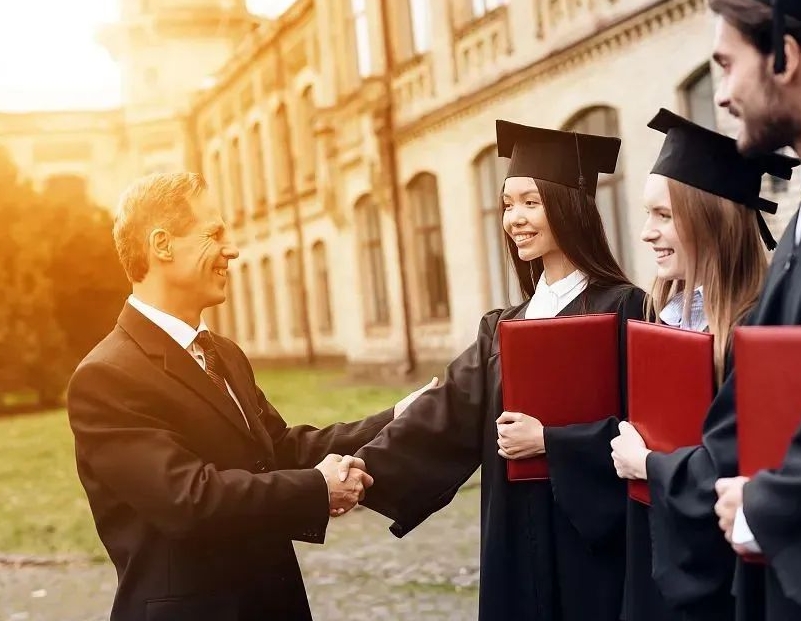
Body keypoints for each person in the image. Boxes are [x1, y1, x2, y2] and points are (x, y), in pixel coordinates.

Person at [645, 1, 801, 619]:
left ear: (786, 58)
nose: (723, 94)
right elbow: (754, 410)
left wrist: (769, 508)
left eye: (728, 66)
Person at [354, 120, 646, 621]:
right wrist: (354, 471)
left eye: (530, 202)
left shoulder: (623, 309)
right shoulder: (503, 326)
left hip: (591, 546)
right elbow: (443, 415)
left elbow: (647, 429)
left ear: (569, 204)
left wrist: (552, 442)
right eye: (508, 204)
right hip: (515, 533)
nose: (515, 219)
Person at [66, 172, 389, 621]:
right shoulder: (107, 376)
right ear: (162, 245)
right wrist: (317, 488)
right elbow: (189, 500)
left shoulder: (225, 354)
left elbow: (280, 450)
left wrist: (400, 416)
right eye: (214, 233)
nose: (232, 249)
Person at [608, 108, 797, 620]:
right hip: (655, 561)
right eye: (648, 215)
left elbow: (736, 464)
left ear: (713, 219)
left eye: (664, 215)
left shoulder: (756, 329)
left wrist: (645, 464)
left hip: (724, 582)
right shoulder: (660, 319)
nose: (647, 233)